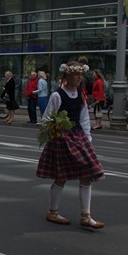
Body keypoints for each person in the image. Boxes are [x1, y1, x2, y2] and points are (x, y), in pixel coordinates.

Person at [37, 61, 105, 229]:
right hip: (62, 139)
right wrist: (56, 127)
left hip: (78, 137)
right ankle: (52, 212)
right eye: (76, 74)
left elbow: (84, 119)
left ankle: (86, 215)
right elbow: (46, 118)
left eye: (81, 75)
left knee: (87, 173)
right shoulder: (57, 95)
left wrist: (88, 140)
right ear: (67, 75)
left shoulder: (81, 95)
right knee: (61, 177)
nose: (80, 77)